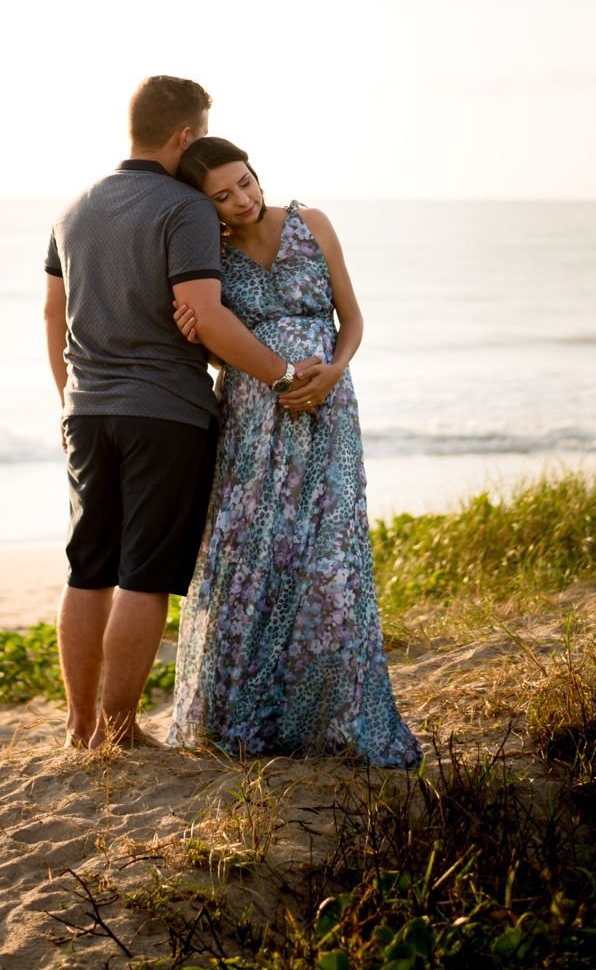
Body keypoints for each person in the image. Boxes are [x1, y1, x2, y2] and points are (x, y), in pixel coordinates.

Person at [44, 80, 321, 749]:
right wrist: (283, 375)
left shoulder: (74, 206)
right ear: (185, 136)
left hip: (87, 413)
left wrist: (68, 402)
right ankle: (117, 731)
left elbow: (54, 315)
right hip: (165, 416)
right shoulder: (185, 208)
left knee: (88, 570)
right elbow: (210, 316)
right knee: (144, 576)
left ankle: (80, 728)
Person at [166, 136, 421, 767]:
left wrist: (334, 372)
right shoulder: (208, 254)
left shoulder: (313, 224)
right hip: (256, 416)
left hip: (330, 409)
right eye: (222, 196)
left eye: (246, 182)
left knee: (328, 557)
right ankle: (245, 721)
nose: (242, 200)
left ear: (257, 173)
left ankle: (333, 720)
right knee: (251, 553)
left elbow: (352, 318)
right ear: (204, 206)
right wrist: (198, 342)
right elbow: (215, 346)